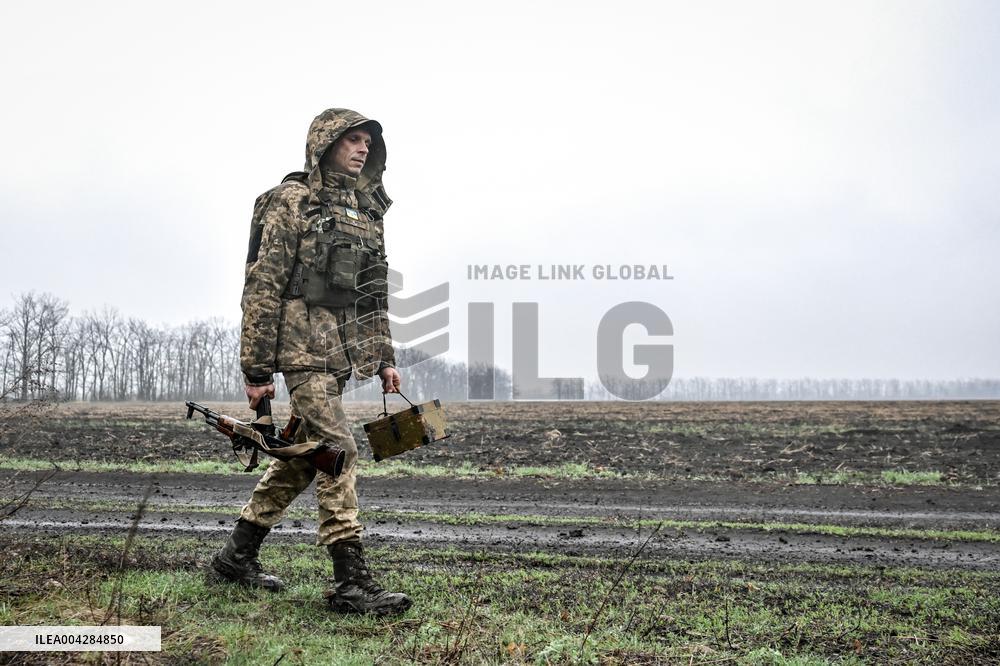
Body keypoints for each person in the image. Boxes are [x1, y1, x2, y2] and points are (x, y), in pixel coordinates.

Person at [210, 108, 411, 616]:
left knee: (304, 460)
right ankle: (351, 583)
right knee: (338, 450)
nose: (363, 149)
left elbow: (372, 296)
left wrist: (383, 358)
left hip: (338, 358)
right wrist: (255, 372)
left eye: (369, 142)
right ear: (325, 144)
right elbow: (262, 286)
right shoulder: (291, 201)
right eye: (353, 140)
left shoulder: (366, 212)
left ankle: (235, 558)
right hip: (300, 353)